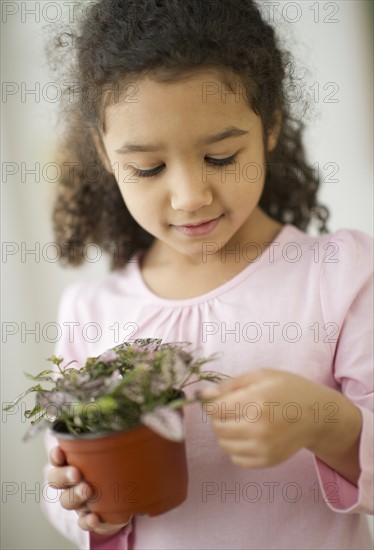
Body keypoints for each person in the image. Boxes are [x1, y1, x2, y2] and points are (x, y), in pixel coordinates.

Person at [42, 0, 373, 548]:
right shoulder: (90, 311)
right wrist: (83, 503)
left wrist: (324, 422)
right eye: (148, 168)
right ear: (104, 153)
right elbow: (62, 486)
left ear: (269, 127)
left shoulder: (339, 277)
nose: (191, 197)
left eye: (220, 157)